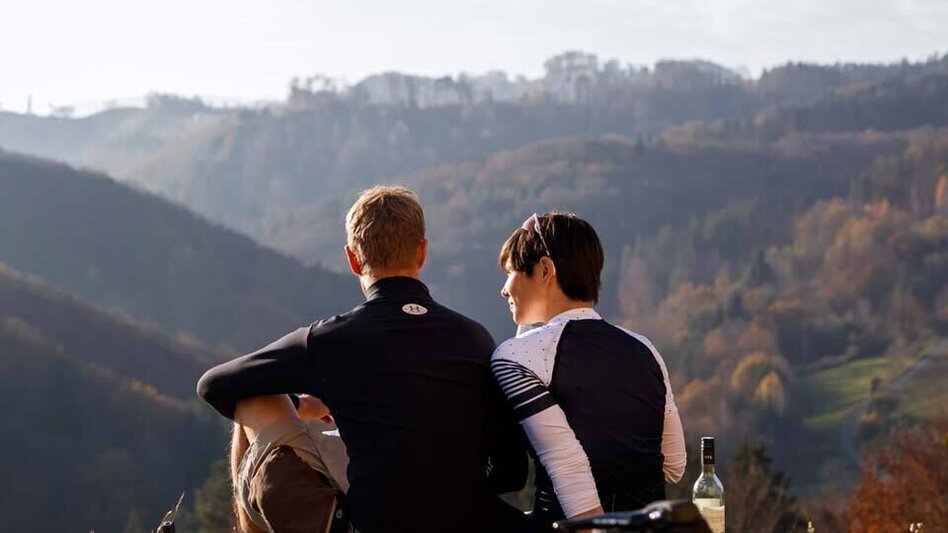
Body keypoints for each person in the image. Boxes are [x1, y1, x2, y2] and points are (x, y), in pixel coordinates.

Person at [198, 186, 527, 533]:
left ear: (353, 259)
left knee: (252, 400)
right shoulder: (475, 338)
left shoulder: (327, 340)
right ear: (422, 253)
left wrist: (299, 404)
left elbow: (215, 385)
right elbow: (511, 473)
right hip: (473, 523)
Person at [491, 212, 687, 531]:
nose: (504, 289)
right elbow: (675, 464)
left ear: (544, 270)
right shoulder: (645, 349)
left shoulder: (515, 357)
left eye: (511, 272)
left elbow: (567, 465)